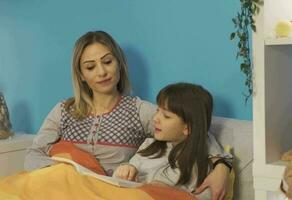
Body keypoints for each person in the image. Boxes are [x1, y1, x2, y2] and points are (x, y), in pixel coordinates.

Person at [24, 31, 232, 200]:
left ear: (119, 64)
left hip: (108, 193)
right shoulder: (63, 110)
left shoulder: (139, 110)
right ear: (81, 75)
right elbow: (33, 156)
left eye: (107, 61)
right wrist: (68, 173)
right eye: (90, 67)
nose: (102, 72)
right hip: (58, 189)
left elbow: (192, 130)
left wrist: (222, 167)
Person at [113, 82, 231, 199]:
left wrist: (222, 166)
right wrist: (126, 169)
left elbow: (206, 138)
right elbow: (122, 177)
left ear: (187, 127)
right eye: (157, 110)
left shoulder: (196, 159)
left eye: (166, 116)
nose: (155, 119)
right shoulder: (149, 145)